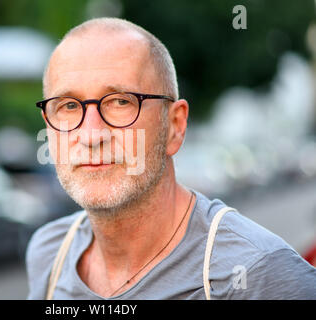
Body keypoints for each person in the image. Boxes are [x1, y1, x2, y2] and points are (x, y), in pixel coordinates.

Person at [26, 17, 316, 299]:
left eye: (120, 102)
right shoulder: (50, 252)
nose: (91, 135)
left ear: (175, 126)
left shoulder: (258, 274)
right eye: (68, 106)